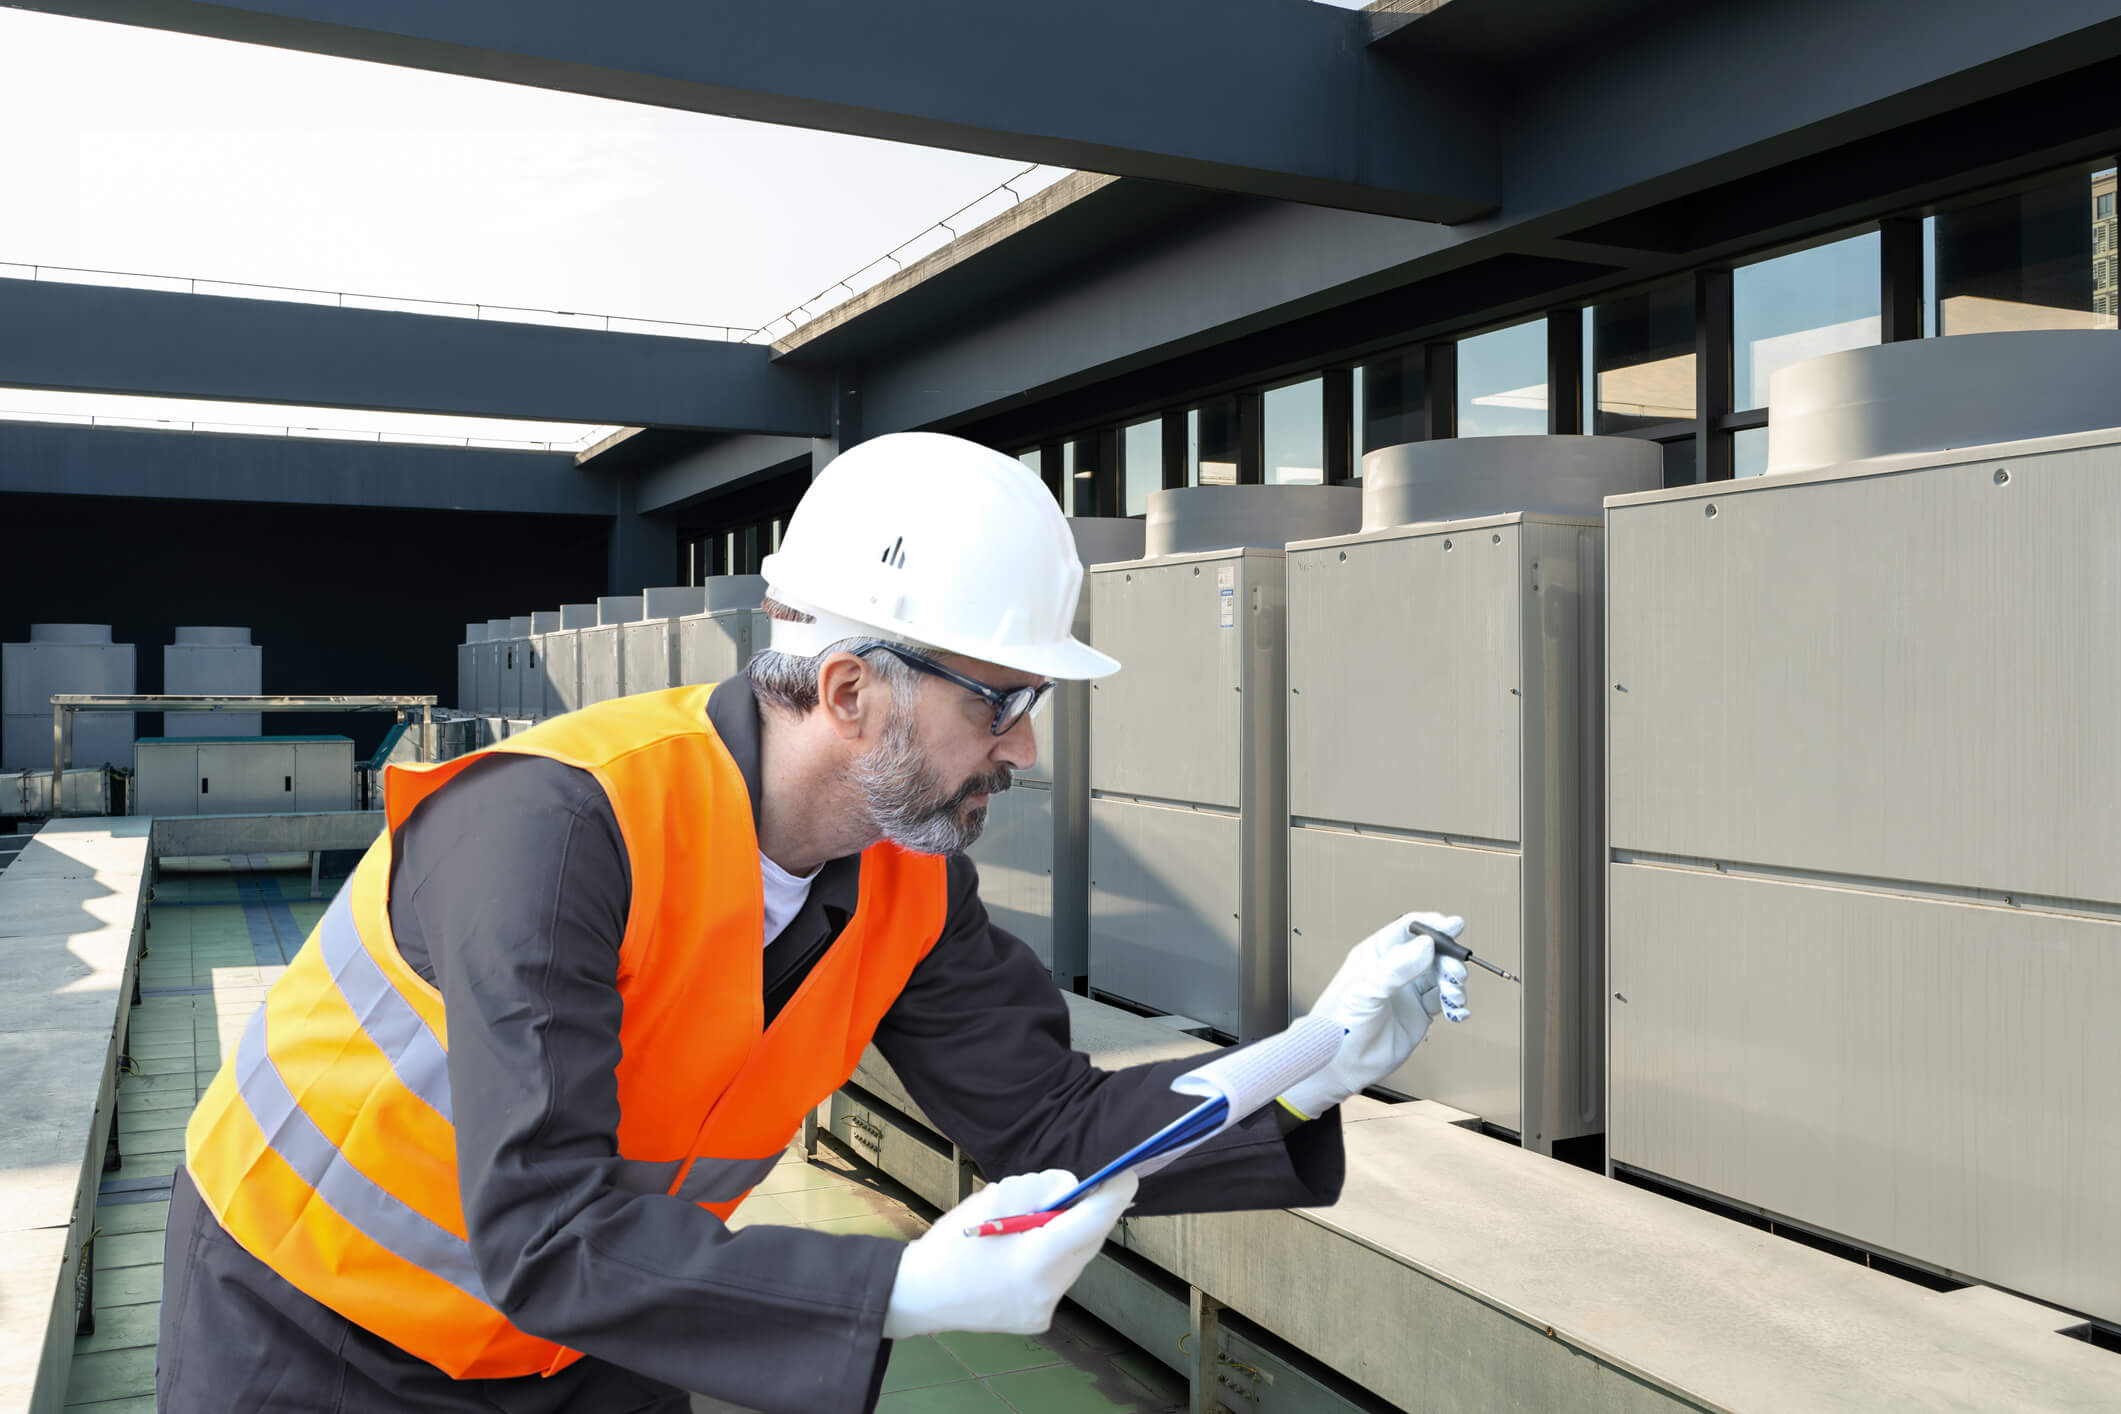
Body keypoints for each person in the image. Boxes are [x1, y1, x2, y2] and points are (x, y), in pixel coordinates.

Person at [157, 432, 1470, 1413]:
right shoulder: (558, 831)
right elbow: (544, 1228)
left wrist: (1306, 1063)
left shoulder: (910, 879)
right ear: (849, 689)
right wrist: (897, 1288)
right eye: (997, 702)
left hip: (586, 1330)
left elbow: (1049, 1122)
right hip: (308, 1319)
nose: (1018, 748)